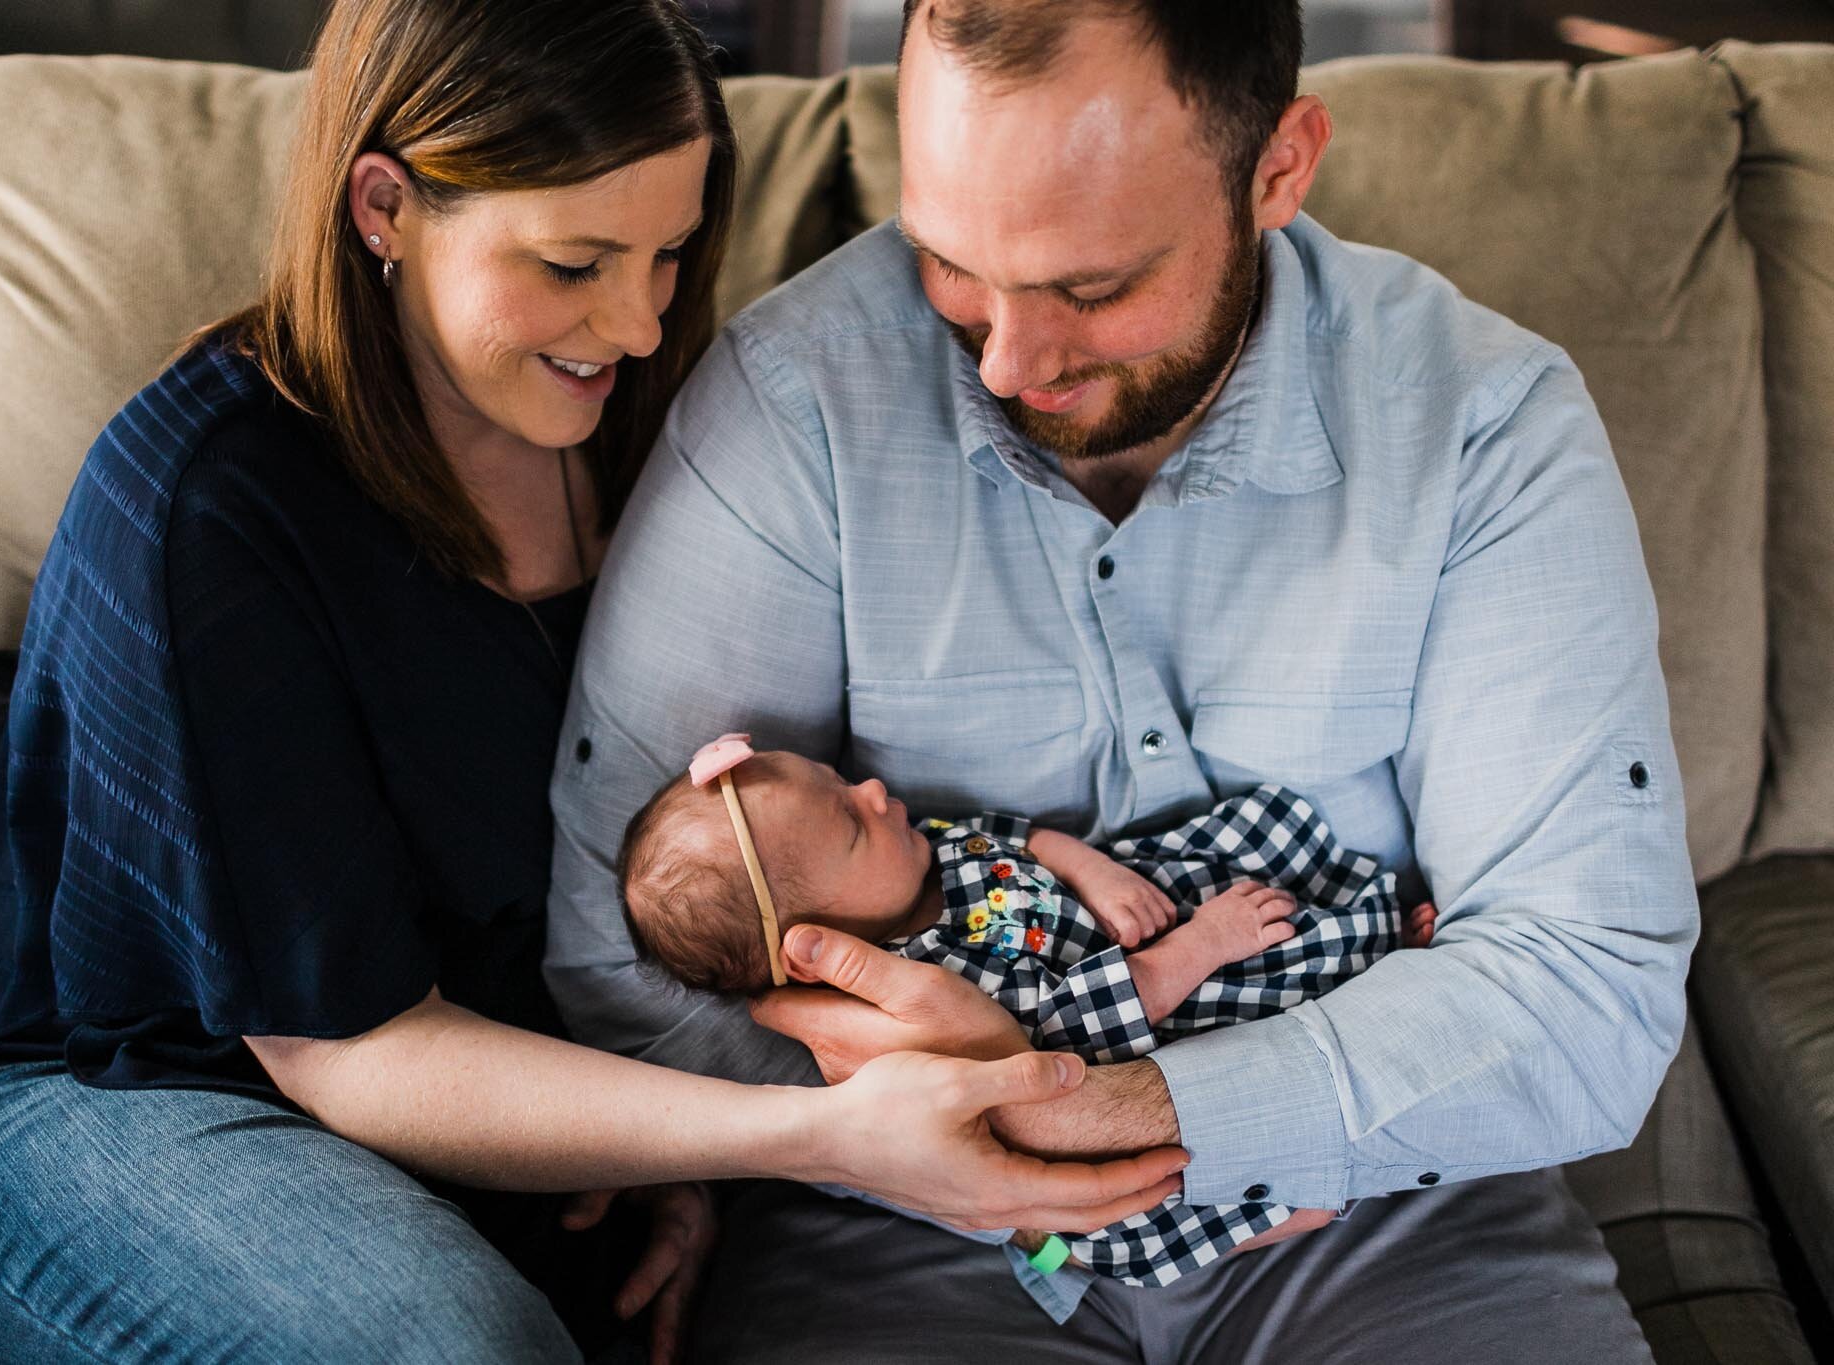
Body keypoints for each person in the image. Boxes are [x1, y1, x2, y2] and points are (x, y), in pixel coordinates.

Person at [0, 3, 1185, 1362]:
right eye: (571, 263)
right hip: (103, 1099)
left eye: (670, 252)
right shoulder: (206, 503)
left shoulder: (643, 426)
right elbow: (348, 1045)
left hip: (456, 1105)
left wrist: (656, 1146)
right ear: (385, 205)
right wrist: (795, 1131)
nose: (634, 319)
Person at [546, 0, 1698, 1357]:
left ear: (1279, 168)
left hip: (1384, 1201)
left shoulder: (1484, 425)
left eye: (1090, 289)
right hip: (899, 1218)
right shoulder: (795, 407)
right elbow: (620, 955)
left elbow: (1587, 988)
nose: (1003, 363)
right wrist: (938, 1146)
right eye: (951, 266)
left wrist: (1101, 1110)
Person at [620, 736, 1440, 1286]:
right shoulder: (919, 981)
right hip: (1142, 1033)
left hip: (1132, 926)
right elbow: (1079, 1026)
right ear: (812, 943)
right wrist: (1202, 945)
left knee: (1246, 888)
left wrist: (1096, 872)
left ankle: (1371, 941)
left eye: (842, 782)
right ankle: (1312, 1185)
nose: (873, 791)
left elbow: (1021, 839)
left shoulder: (924, 853)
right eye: (850, 822)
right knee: (1195, 1166)